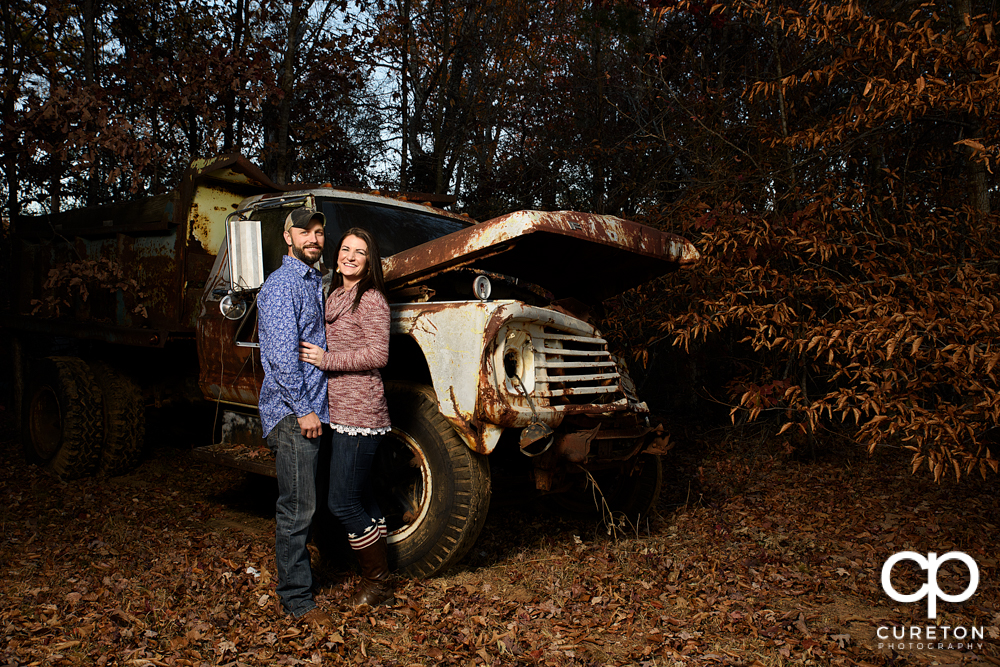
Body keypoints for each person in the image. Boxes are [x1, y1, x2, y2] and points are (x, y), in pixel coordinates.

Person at [299, 226, 393, 608]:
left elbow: (378, 355)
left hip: (362, 413)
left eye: (360, 252)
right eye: (345, 249)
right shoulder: (335, 295)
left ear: (369, 262)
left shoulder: (370, 299)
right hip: (338, 410)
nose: (350, 256)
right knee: (364, 498)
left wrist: (327, 361)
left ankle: (379, 582)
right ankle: (379, 575)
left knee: (342, 503)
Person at [257, 207, 332, 627]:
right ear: (288, 237)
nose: (314, 238)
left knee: (311, 503)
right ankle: (297, 601)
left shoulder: (312, 283)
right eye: (305, 231)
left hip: (316, 410)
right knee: (297, 508)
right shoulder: (282, 285)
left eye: (319, 232)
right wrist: (304, 410)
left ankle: (303, 586)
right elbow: (282, 360)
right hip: (294, 413)